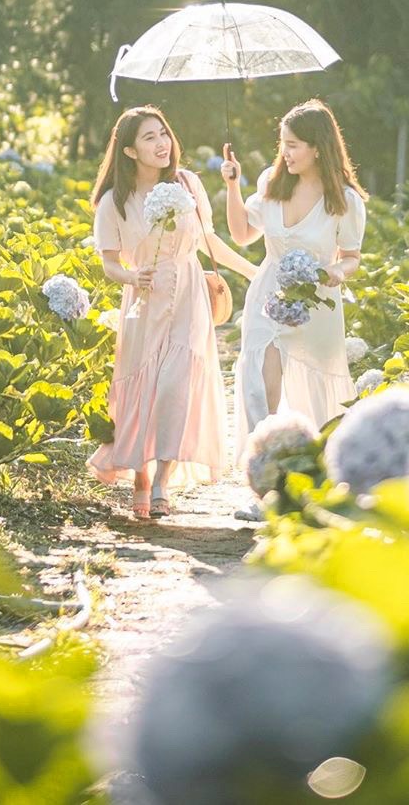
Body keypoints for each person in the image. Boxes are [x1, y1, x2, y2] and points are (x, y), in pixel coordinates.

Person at [89, 106, 257, 519]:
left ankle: (164, 480)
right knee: (143, 388)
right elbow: (109, 262)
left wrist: (257, 272)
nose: (162, 143)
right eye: (149, 137)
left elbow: (208, 242)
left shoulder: (187, 183)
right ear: (129, 151)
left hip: (188, 296)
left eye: (163, 133)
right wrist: (132, 276)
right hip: (144, 302)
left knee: (174, 386)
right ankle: (142, 477)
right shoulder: (114, 202)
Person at [221, 98, 367, 461]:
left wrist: (336, 271)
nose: (284, 152)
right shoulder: (272, 183)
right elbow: (241, 233)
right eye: (282, 144)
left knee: (314, 389)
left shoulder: (345, 201)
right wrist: (233, 186)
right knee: (260, 377)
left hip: (316, 300)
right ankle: (264, 468)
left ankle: (315, 467)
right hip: (269, 295)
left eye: (292, 145)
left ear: (318, 148)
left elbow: (351, 257)